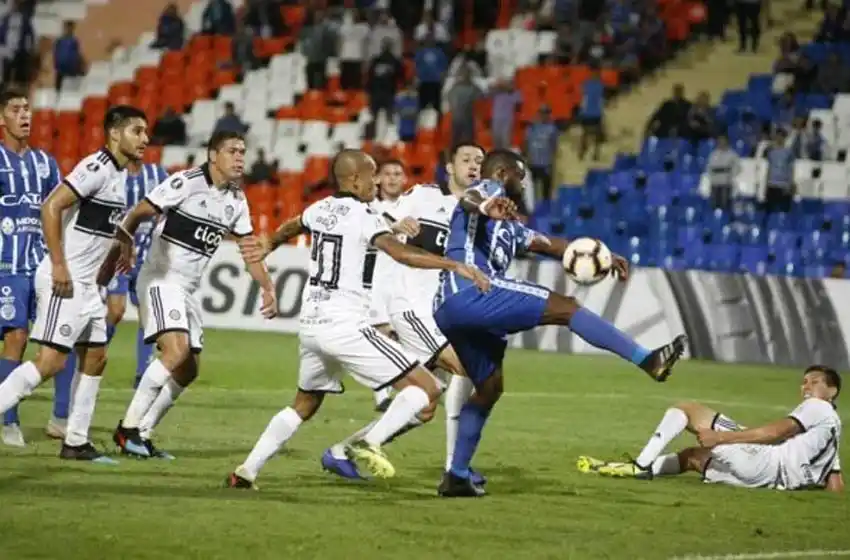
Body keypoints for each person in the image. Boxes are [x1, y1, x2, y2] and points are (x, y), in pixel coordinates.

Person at [225, 149, 490, 489]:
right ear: (353, 179)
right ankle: (367, 443)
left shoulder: (321, 208)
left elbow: (295, 224)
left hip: (311, 326)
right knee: (427, 388)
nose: (376, 181)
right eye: (371, 174)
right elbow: (401, 253)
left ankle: (246, 471)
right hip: (346, 325)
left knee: (303, 404)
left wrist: (271, 243)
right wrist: (453, 265)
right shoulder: (363, 215)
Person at [433, 149, 688, 497]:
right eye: (520, 177)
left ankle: (457, 475)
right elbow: (471, 199)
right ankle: (648, 359)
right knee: (566, 307)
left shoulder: (512, 226)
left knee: (490, 387)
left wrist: (604, 255)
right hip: (470, 290)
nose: (523, 185)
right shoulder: (490, 189)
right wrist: (488, 205)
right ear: (505, 172)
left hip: (455, 309)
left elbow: (553, 245)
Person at [321, 143, 487, 484]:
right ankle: (455, 469)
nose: (474, 166)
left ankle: (340, 451)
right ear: (449, 166)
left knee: (424, 405)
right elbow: (377, 215)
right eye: (466, 159)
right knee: (468, 367)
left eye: (479, 162)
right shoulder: (424, 195)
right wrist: (397, 222)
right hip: (411, 305)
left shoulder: (475, 212)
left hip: (439, 312)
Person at [110, 131, 276, 459]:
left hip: (187, 288)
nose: (240, 157)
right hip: (161, 278)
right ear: (213, 155)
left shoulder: (237, 200)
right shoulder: (185, 182)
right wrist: (126, 244)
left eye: (243, 151)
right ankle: (127, 429)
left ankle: (141, 434)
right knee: (176, 351)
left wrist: (267, 287)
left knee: (189, 369)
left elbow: (248, 249)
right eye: (233, 151)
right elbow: (139, 211)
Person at [0, 105, 149, 463]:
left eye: (145, 132)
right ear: (115, 133)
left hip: (88, 287)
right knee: (50, 362)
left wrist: (123, 242)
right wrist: (58, 264)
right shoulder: (95, 167)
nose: (145, 139)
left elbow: (101, 223)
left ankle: (76, 442)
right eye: (137, 131)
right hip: (64, 281)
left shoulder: (119, 175)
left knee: (96, 358)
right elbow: (51, 207)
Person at [581, 365, 843, 492]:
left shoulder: (818, 407)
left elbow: (775, 433)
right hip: (767, 481)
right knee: (692, 458)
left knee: (688, 409)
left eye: (815, 382)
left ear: (832, 391)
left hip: (766, 463)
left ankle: (640, 466)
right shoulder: (830, 430)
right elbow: (836, 483)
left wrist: (722, 437)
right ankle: (618, 467)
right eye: (804, 382)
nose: (806, 387)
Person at [0, 88, 73, 447]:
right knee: (16, 337)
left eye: (28, 109)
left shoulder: (46, 164)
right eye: (16, 109)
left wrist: (61, 258)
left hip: (41, 264)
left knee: (62, 337)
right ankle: (8, 420)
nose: (25, 115)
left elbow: (57, 212)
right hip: (6, 265)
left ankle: (62, 418)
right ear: (2, 118)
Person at [104, 160, 168, 388]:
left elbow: (169, 206)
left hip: (147, 258)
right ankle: (95, 351)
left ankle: (142, 374)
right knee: (116, 311)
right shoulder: (112, 175)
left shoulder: (156, 173)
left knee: (148, 316)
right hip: (120, 255)